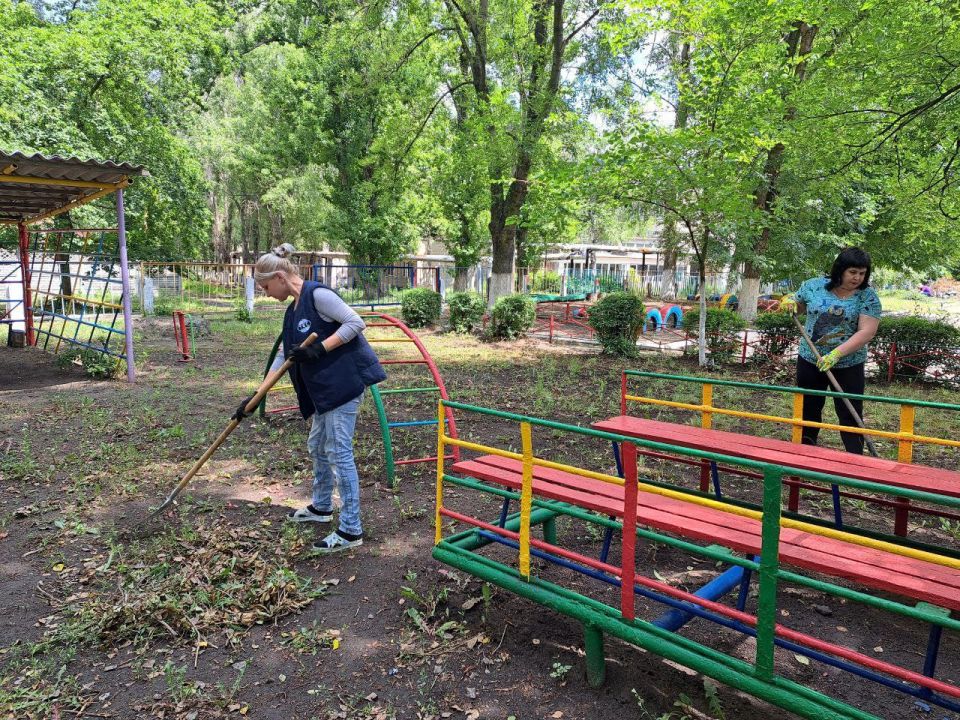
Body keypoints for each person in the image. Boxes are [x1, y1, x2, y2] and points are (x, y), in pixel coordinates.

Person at [234, 244, 387, 553]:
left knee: (338, 452)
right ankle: (321, 507)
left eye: (265, 286)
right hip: (321, 391)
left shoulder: (318, 295)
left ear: (279, 276)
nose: (265, 292)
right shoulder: (292, 311)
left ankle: (351, 529)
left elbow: (356, 323)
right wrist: (256, 395)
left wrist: (319, 349)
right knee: (317, 445)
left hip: (342, 385)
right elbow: (283, 355)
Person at [794, 247, 882, 454]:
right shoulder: (813, 286)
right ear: (840, 269)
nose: (857, 278)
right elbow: (798, 306)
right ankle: (805, 453)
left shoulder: (867, 297)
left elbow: (867, 332)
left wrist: (836, 354)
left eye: (862, 273)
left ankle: (854, 459)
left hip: (848, 364)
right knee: (809, 407)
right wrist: (790, 304)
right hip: (810, 359)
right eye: (853, 272)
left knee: (849, 412)